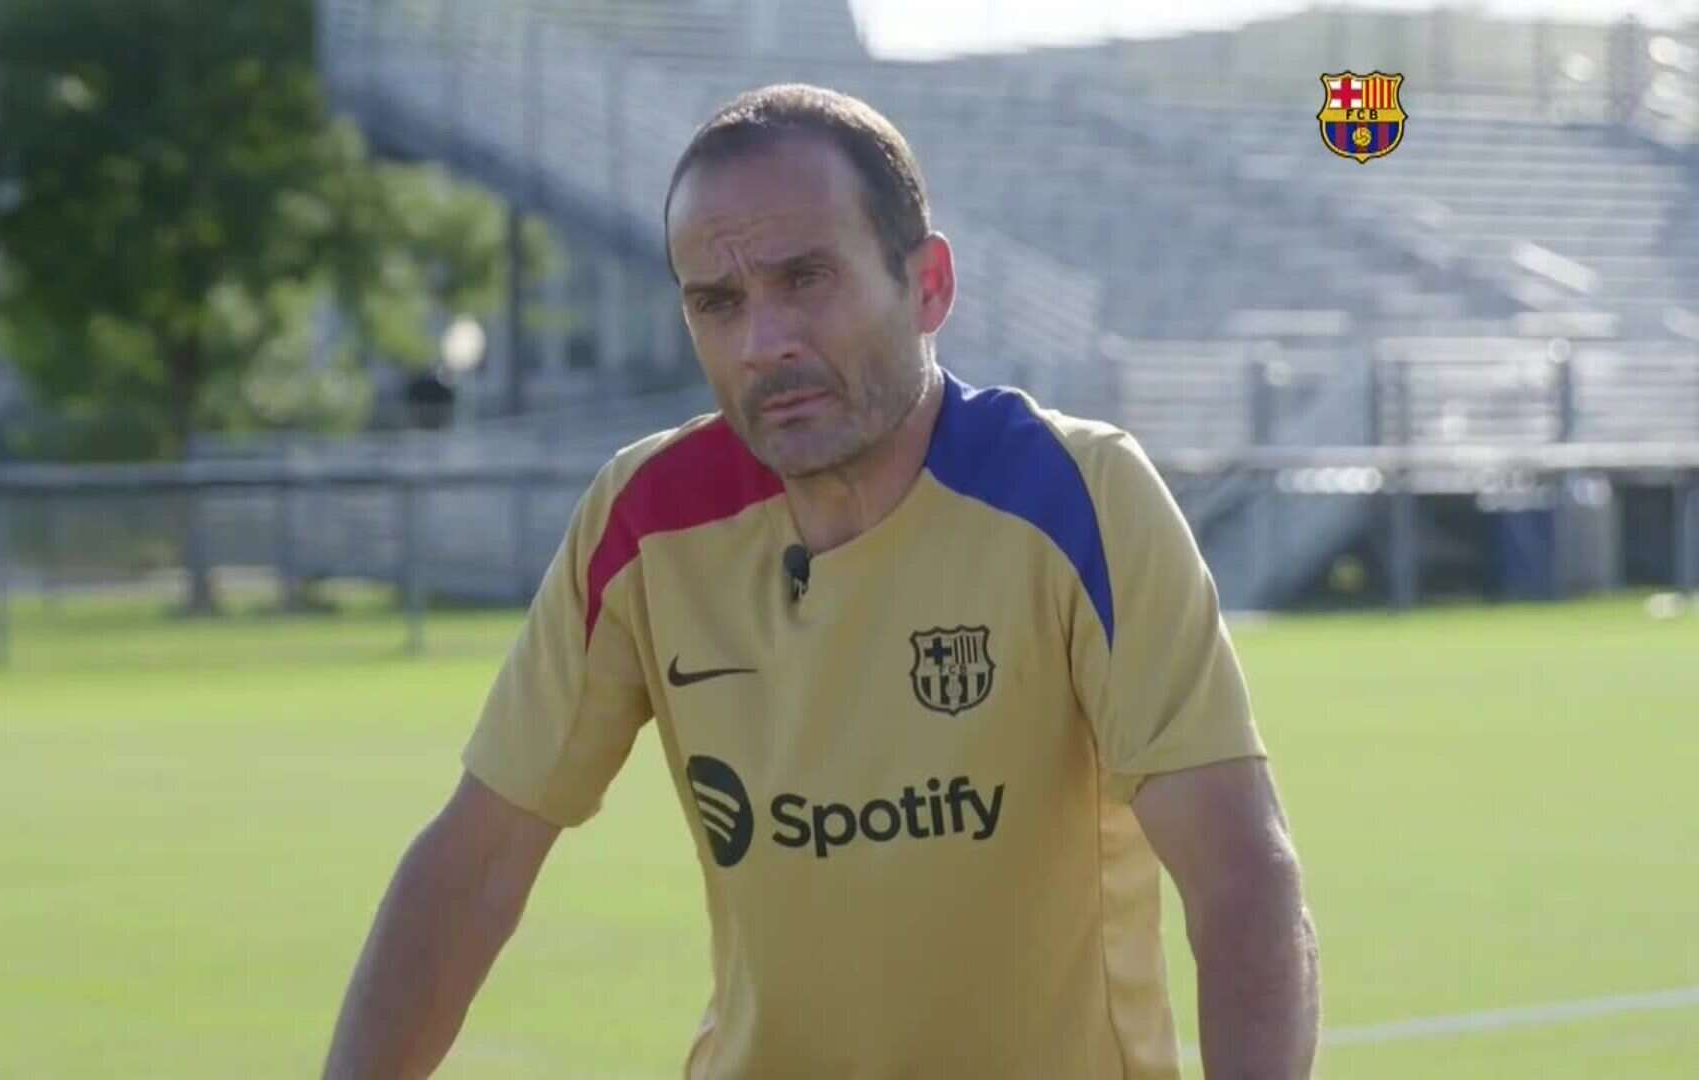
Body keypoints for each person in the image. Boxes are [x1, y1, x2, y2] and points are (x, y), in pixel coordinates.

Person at [324, 83, 1320, 1079]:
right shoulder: (644, 520)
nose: (764, 344)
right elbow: (472, 871)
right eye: (718, 303)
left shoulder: (1077, 495)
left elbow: (1239, 882)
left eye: (807, 280)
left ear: (927, 284)